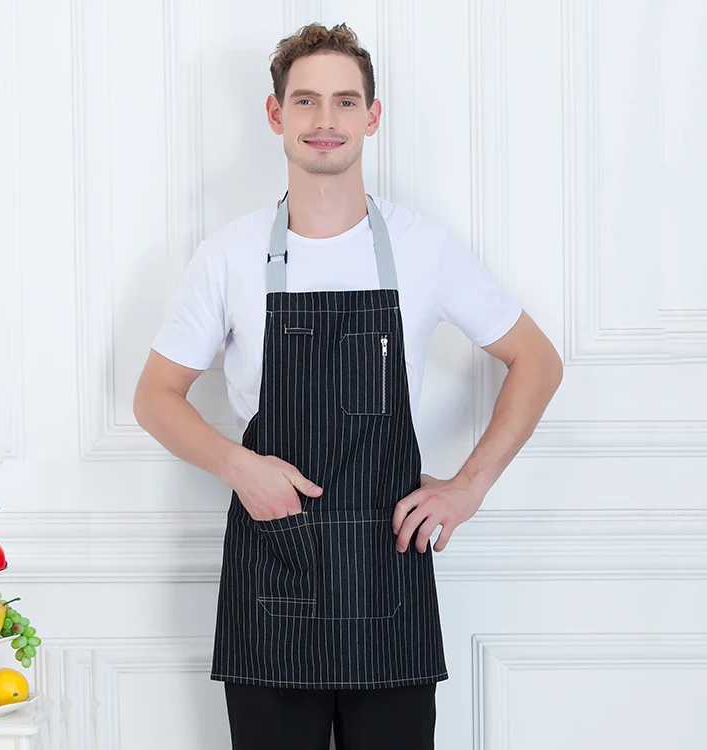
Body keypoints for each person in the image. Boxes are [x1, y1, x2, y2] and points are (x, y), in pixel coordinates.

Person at [133, 21, 563, 750]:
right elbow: (153, 396)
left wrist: (468, 486)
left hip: (385, 582)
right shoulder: (229, 255)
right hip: (272, 574)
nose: (324, 121)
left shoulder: (425, 247)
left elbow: (537, 361)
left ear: (372, 115)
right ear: (276, 116)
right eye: (304, 102)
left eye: (342, 101)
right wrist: (238, 466)